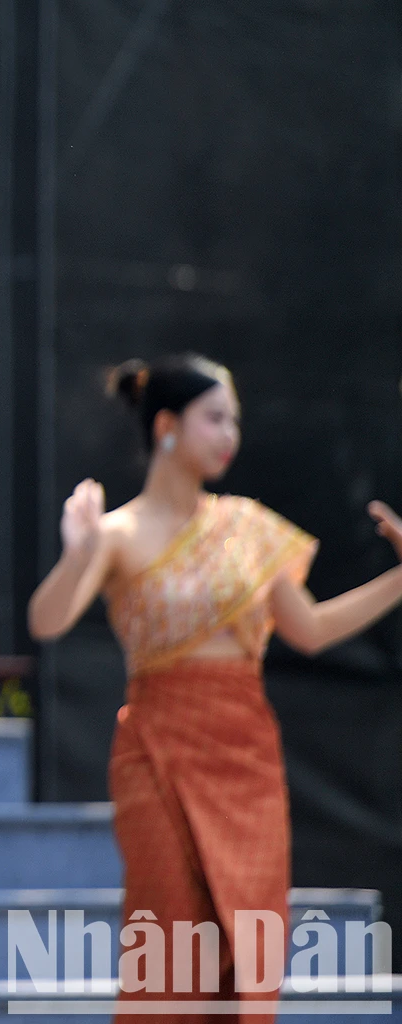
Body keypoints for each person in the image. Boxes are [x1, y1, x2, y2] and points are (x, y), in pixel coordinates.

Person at [28, 355, 402, 1015]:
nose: (230, 434)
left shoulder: (248, 527)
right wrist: (77, 555)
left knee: (249, 942)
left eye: (235, 420)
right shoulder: (115, 535)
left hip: (245, 753)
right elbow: (46, 621)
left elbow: (308, 629)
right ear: (167, 424)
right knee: (169, 933)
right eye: (215, 418)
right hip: (157, 751)